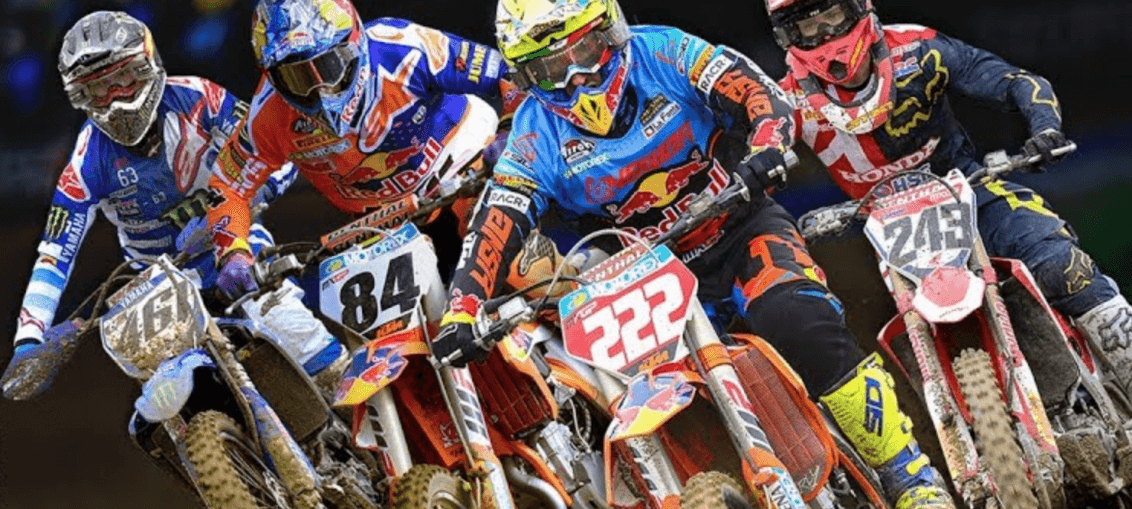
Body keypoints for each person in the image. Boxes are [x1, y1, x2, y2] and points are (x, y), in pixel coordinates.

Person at [431, 0, 954, 507]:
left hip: (739, 226)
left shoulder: (664, 50)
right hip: (646, 276)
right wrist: (461, 309)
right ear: (526, 77)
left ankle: (908, 474)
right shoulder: (531, 136)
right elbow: (493, 225)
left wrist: (768, 145)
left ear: (610, 32)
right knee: (641, 400)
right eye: (550, 69)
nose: (576, 79)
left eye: (584, 52)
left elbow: (759, 92)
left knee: (797, 318)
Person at [766, 0, 1132, 394]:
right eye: (808, 27)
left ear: (856, 9)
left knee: (1063, 266)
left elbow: (1015, 81)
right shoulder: (784, 100)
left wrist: (1045, 130)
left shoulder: (919, 48)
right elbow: (759, 158)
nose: (824, 34)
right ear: (788, 35)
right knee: (886, 329)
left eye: (832, 17)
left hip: (969, 190)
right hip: (894, 234)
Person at [3, 11, 344, 395]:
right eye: (98, 90)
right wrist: (28, 339)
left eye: (122, 80)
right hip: (156, 288)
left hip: (234, 246)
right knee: (160, 397)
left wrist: (231, 211)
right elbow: (54, 255)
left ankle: (355, 406)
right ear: (80, 97)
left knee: (295, 332)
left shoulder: (200, 98)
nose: (115, 100)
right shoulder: (85, 162)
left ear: (146, 66)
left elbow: (275, 157)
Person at [206, 0, 523, 286]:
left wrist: (509, 131)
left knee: (500, 255)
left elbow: (506, 72)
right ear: (272, 77)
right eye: (297, 77)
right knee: (381, 325)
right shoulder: (267, 114)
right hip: (381, 226)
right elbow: (228, 185)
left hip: (466, 169)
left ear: (353, 44)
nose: (320, 91)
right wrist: (233, 253)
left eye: (328, 66)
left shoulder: (401, 46)